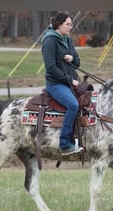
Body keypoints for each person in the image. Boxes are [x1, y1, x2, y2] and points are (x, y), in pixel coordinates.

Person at [41, 12, 84, 156]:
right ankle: (65, 144)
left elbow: (77, 63)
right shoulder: (49, 41)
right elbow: (51, 68)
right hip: (56, 84)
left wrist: (72, 58)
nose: (71, 27)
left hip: (72, 82)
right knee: (73, 105)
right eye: (68, 24)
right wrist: (70, 80)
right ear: (58, 24)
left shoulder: (68, 40)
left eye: (71, 24)